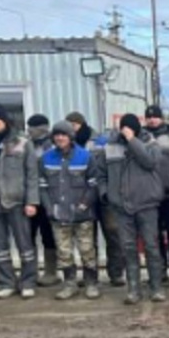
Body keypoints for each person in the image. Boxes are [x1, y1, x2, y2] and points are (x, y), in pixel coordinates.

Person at [99, 114, 165, 304]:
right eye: (123, 128)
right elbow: (101, 174)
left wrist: (132, 140)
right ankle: (134, 290)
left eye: (129, 127)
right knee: (128, 249)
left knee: (152, 247)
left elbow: (150, 162)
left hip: (147, 204)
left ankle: (156, 288)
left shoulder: (150, 143)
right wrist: (106, 193)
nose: (125, 130)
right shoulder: (110, 147)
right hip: (121, 206)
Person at [0, 104, 40, 299]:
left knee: (25, 245)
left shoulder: (22, 142)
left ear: (5, 120)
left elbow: (32, 174)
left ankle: (28, 281)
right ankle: (7, 282)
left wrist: (32, 201)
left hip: (17, 201)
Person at [39, 121, 101, 300]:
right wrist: (49, 208)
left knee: (87, 250)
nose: (59, 138)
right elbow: (42, 187)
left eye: (63, 135)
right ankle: (70, 284)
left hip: (83, 214)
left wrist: (84, 205)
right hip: (58, 214)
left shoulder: (85, 156)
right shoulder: (46, 158)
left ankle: (91, 283)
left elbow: (93, 184)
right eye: (56, 135)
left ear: (70, 137)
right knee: (64, 251)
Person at [67, 111, 124, 286]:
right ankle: (90, 275)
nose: (72, 129)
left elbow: (108, 167)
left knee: (113, 234)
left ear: (81, 124)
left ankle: (116, 273)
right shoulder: (69, 146)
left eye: (74, 125)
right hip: (83, 197)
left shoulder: (99, 141)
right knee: (87, 239)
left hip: (104, 196)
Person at [143, 105, 169, 284]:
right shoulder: (141, 137)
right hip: (150, 195)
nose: (152, 120)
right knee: (155, 235)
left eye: (156, 117)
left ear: (162, 118)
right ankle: (161, 269)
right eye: (149, 117)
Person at [26, 114, 61, 287]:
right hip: (30, 198)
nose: (30, 131)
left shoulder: (54, 145)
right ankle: (30, 271)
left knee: (48, 235)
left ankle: (50, 271)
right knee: (28, 234)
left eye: (34, 127)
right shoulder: (26, 145)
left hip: (49, 197)